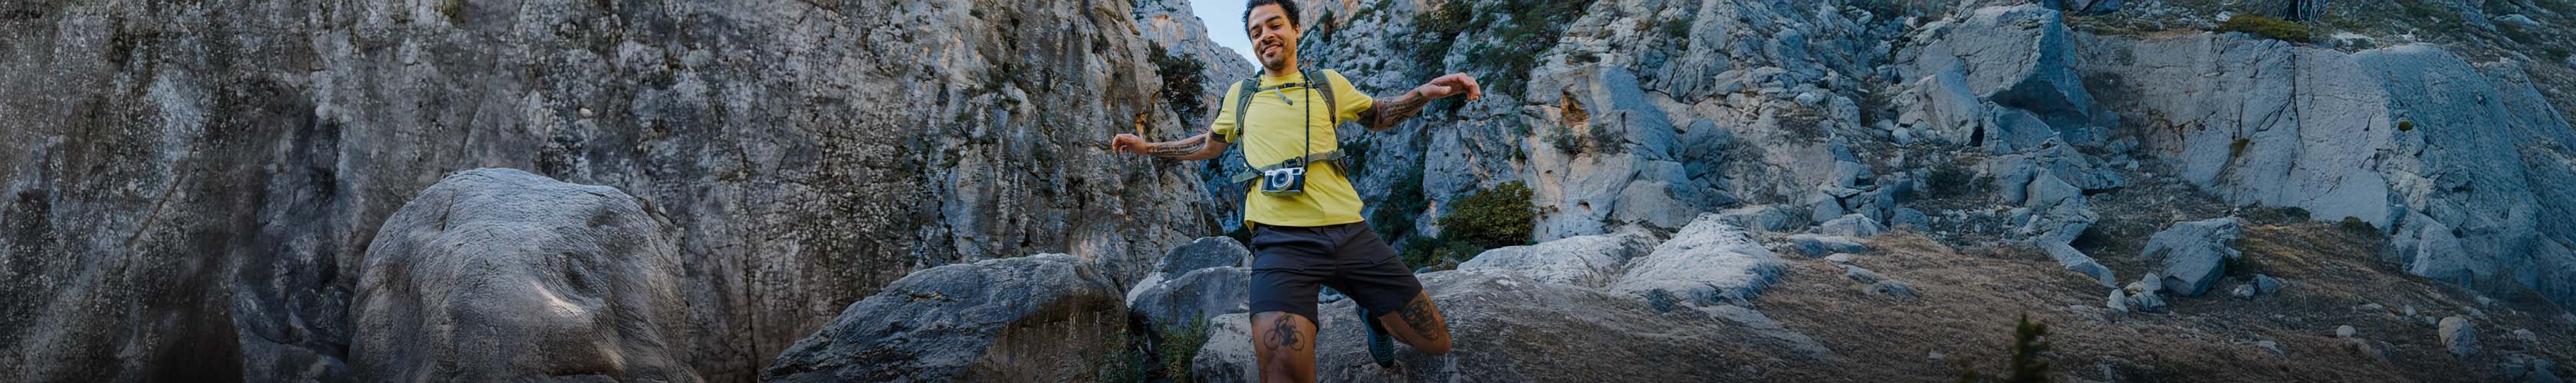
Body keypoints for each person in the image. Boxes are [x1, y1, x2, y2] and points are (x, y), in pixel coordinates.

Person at [1109, 0, 1480, 381]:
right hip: (1280, 243)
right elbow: (1209, 144)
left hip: (1350, 233)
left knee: (1435, 340)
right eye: (1256, 32)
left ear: (1295, 29)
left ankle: (1373, 314)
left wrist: (1424, 93)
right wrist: (1148, 147)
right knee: (1283, 369)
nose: (1266, 35)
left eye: (1274, 25)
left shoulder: (1327, 83)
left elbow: (1379, 115)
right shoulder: (1241, 94)